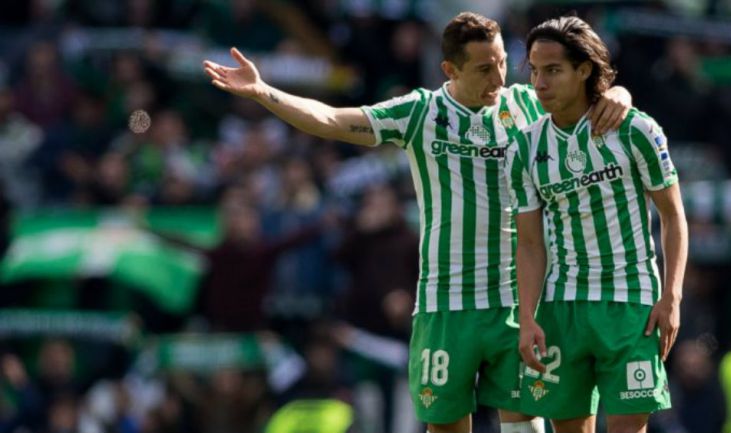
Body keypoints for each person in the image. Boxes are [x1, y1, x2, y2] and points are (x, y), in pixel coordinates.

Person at [203, 12, 631, 433]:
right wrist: (263, 92)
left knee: (525, 424)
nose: (499, 78)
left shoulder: (524, 104)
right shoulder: (420, 113)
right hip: (444, 305)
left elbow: (586, 99)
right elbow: (332, 120)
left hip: (516, 303)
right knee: (444, 427)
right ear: (450, 69)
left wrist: (620, 95)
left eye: (502, 63)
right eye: (485, 68)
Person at [507, 16, 688, 433]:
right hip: (561, 307)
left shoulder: (636, 129)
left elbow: (673, 216)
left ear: (584, 70)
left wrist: (672, 297)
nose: (539, 83)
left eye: (552, 70)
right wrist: (528, 317)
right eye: (534, 70)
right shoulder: (525, 147)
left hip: (631, 304)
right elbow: (530, 244)